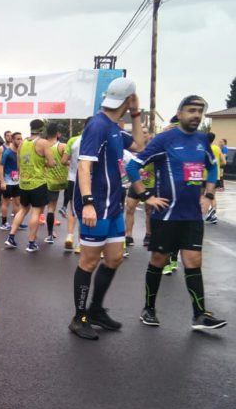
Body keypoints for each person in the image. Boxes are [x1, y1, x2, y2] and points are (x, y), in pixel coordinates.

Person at [126, 95, 226, 331]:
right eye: (191, 110)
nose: (196, 115)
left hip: (192, 215)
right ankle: (148, 309)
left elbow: (213, 168)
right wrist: (146, 196)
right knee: (159, 261)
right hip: (166, 215)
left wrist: (208, 195)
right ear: (180, 113)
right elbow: (132, 166)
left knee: (194, 261)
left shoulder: (202, 140)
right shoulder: (164, 140)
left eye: (200, 111)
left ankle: (199, 315)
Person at [69, 78, 146, 340]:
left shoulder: (113, 127)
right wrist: (88, 203)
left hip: (113, 206)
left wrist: (136, 113)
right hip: (97, 206)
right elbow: (84, 166)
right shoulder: (98, 125)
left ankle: (95, 310)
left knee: (114, 258)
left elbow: (139, 145)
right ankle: (79, 318)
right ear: (127, 99)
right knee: (89, 261)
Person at [4, 119, 47, 252]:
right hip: (38, 182)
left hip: (24, 183)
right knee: (36, 211)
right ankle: (31, 243)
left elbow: (18, 166)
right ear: (42, 129)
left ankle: (11, 237)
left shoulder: (22, 144)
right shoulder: (43, 143)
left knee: (23, 209)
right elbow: (51, 162)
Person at [42, 122, 68, 244]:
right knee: (51, 208)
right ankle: (50, 234)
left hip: (42, 180)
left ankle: (41, 236)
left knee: (40, 209)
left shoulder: (42, 146)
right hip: (57, 181)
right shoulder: (62, 146)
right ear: (58, 134)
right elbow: (67, 161)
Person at [0, 131, 21, 230]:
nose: (20, 141)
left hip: (16, 180)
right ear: (13, 140)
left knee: (17, 202)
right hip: (7, 181)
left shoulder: (18, 151)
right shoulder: (6, 151)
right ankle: (4, 223)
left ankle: (17, 222)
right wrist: (1, 180)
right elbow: (0, 165)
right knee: (6, 202)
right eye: (18, 139)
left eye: (21, 139)